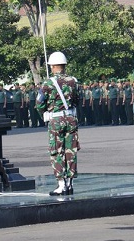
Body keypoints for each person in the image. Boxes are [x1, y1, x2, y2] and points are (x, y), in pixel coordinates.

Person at [36, 51, 79, 196]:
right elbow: (77, 100)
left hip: (56, 121)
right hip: (71, 119)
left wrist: (44, 113)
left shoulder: (48, 83)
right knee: (70, 151)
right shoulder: (73, 81)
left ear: (53, 66)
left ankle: (61, 185)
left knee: (57, 151)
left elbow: (39, 103)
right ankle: (70, 184)